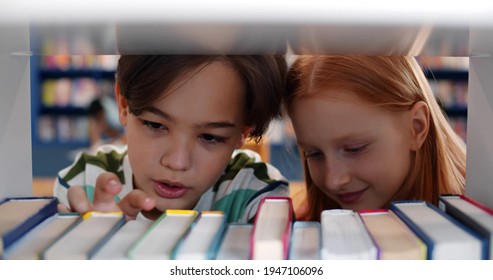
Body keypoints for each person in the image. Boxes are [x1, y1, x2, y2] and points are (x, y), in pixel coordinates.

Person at [54, 55, 289, 223]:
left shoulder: (258, 195)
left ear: (243, 133)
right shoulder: (84, 184)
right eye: (155, 125)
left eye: (210, 137)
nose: (177, 162)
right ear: (124, 106)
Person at [284, 55, 466, 221]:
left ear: (416, 127)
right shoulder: (305, 224)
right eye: (314, 154)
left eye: (355, 148)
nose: (333, 181)